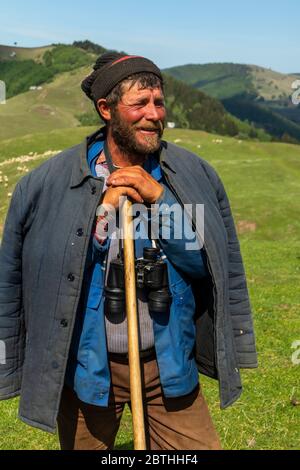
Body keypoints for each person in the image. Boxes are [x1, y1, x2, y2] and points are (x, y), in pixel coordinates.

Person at [0, 52, 257, 450]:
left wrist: (160, 201)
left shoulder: (187, 174)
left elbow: (202, 262)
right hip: (87, 366)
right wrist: (101, 214)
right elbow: (44, 275)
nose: (153, 114)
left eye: (159, 102)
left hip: (166, 363)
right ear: (106, 109)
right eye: (139, 104)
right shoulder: (48, 184)